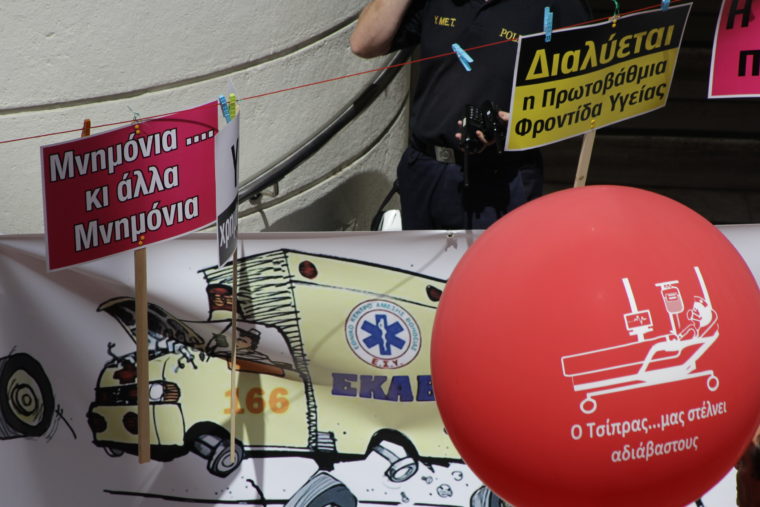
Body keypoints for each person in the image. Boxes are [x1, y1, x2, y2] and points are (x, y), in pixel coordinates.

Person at [351, 0, 591, 229]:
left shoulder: (559, 5)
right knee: (417, 260)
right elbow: (364, 43)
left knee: (493, 260)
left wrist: (520, 122)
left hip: (501, 177)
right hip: (425, 169)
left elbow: (583, 95)